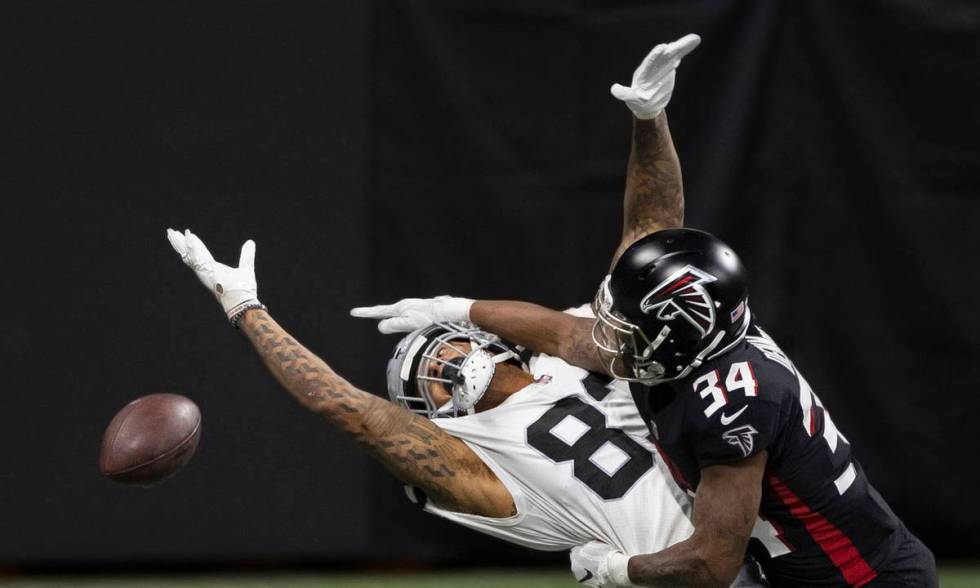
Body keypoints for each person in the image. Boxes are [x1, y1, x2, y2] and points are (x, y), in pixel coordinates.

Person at [351, 38, 938, 588]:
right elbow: (588, 304)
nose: (608, 331)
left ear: (674, 338)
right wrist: (458, 308)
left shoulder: (729, 399)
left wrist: (617, 569)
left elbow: (711, 563)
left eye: (629, 325)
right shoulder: (696, 341)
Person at [165, 227, 701, 568]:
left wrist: (648, 117)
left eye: (443, 348)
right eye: (429, 379)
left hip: (753, 512)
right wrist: (245, 307)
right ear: (435, 417)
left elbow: (647, 240)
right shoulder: (480, 460)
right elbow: (346, 408)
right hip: (685, 569)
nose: (443, 365)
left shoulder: (564, 349)